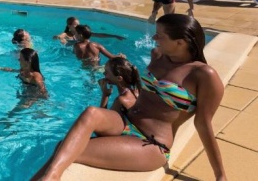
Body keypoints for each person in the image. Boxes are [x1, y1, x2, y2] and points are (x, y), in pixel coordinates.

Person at [31, 14, 226, 180]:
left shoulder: (203, 76)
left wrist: (220, 175)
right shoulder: (158, 55)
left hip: (151, 143)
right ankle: (51, 177)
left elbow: (203, 124)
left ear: (180, 42)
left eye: (160, 35)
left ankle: (50, 177)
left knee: (63, 149)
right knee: (90, 114)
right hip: (123, 120)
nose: (155, 38)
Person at [53, 17, 126, 45]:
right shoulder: (66, 34)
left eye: (79, 24)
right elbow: (56, 37)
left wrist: (114, 36)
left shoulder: (82, 32)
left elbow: (98, 35)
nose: (78, 26)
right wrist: (60, 38)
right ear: (69, 26)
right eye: (75, 25)